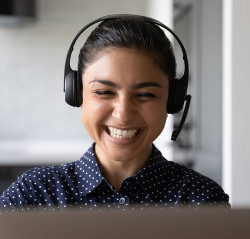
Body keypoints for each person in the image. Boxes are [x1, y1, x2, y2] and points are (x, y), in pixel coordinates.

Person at [0, 15, 229, 211]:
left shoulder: (203, 200)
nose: (122, 115)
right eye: (103, 92)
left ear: (172, 100)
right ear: (77, 94)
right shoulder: (33, 195)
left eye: (146, 95)